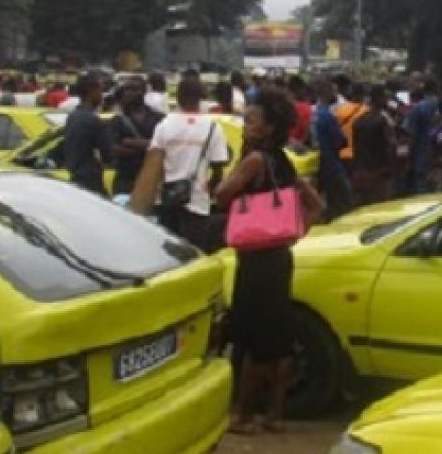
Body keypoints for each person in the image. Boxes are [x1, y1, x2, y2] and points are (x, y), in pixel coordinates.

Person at [212, 87, 324, 434]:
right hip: (279, 256)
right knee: (277, 338)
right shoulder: (284, 161)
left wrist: (228, 173)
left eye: (251, 120)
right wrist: (296, 231)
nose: (245, 124)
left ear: (268, 127)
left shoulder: (255, 161)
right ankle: (274, 414)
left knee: (251, 339)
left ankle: (244, 416)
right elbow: (316, 205)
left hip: (255, 260)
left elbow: (221, 195)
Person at [128, 79, 229, 249]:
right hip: (197, 203)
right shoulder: (213, 128)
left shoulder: (164, 126)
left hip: (167, 202)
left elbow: (152, 165)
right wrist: (209, 189)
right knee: (194, 255)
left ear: (178, 97)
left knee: (169, 255)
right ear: (200, 99)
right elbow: (218, 168)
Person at [108, 77, 165, 197]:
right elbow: (114, 149)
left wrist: (130, 142)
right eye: (127, 89)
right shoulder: (117, 120)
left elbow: (165, 147)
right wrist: (148, 148)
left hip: (153, 181)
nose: (130, 93)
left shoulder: (158, 119)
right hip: (125, 181)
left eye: (134, 89)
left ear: (144, 91)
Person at [62, 73, 111, 196]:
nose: (102, 95)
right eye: (100, 90)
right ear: (92, 91)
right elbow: (108, 154)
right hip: (90, 181)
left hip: (74, 176)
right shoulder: (92, 120)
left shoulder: (72, 116)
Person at [312, 78, 353, 219]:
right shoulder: (327, 116)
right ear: (327, 92)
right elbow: (339, 141)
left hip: (318, 161)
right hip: (332, 162)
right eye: (333, 91)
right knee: (344, 200)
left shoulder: (315, 113)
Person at [350, 84, 396, 206]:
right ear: (379, 98)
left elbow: (355, 146)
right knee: (380, 208)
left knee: (361, 209)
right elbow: (390, 145)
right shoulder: (383, 119)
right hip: (378, 173)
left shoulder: (358, 120)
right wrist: (391, 168)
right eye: (385, 97)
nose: (387, 100)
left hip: (359, 173)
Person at [402, 78, 440, 195]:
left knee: (421, 195)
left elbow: (410, 135)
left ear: (424, 91)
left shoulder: (418, 108)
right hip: (440, 158)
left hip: (421, 157)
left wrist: (408, 159)